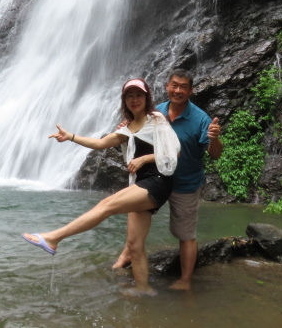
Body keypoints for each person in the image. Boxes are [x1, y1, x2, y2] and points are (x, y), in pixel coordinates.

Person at [21, 78, 180, 296]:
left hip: (158, 181)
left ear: (146, 98)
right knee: (134, 245)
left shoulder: (157, 119)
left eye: (139, 95)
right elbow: (100, 143)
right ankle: (144, 290)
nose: (135, 100)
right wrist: (71, 137)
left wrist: (144, 160)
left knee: (106, 205)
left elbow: (175, 152)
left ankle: (53, 238)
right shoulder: (127, 129)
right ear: (125, 100)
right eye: (130, 96)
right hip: (141, 184)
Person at [112, 69, 222, 291]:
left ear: (190, 90)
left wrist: (215, 139)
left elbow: (215, 154)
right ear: (167, 86)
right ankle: (126, 255)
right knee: (137, 222)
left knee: (186, 235)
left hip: (185, 184)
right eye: (174, 85)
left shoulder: (201, 119)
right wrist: (124, 129)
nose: (178, 90)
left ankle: (185, 280)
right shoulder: (156, 112)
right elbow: (135, 130)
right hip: (155, 180)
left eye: (183, 87)